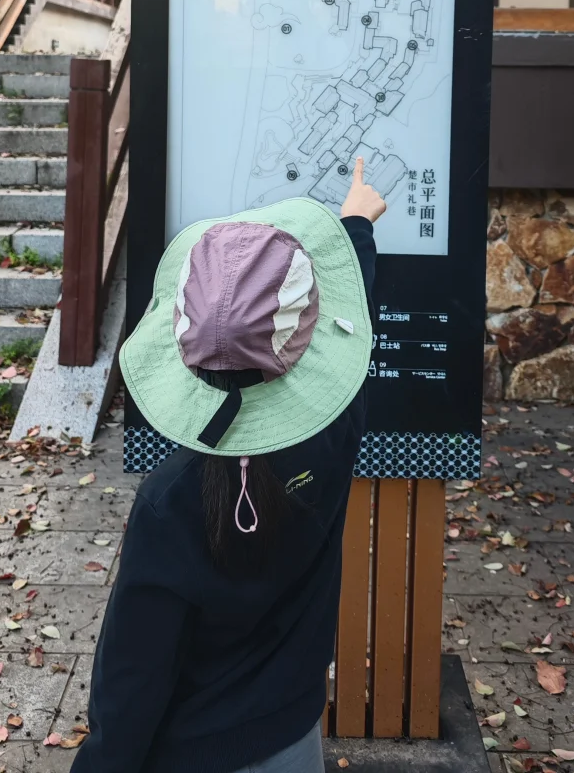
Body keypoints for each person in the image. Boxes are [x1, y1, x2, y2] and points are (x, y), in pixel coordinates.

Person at [72, 157, 387, 773]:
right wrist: (356, 227)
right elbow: (357, 320)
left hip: (188, 752)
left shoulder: (170, 500)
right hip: (293, 735)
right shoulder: (335, 431)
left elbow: (132, 677)